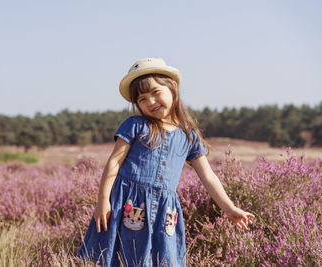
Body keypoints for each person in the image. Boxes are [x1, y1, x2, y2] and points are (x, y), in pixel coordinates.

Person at [78, 58, 255, 267]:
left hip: (165, 209)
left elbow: (208, 176)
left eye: (155, 92)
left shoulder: (188, 135)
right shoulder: (135, 125)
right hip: (128, 204)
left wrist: (230, 208)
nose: (150, 102)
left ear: (173, 88)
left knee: (163, 260)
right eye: (142, 99)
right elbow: (114, 163)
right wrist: (102, 200)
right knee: (124, 257)